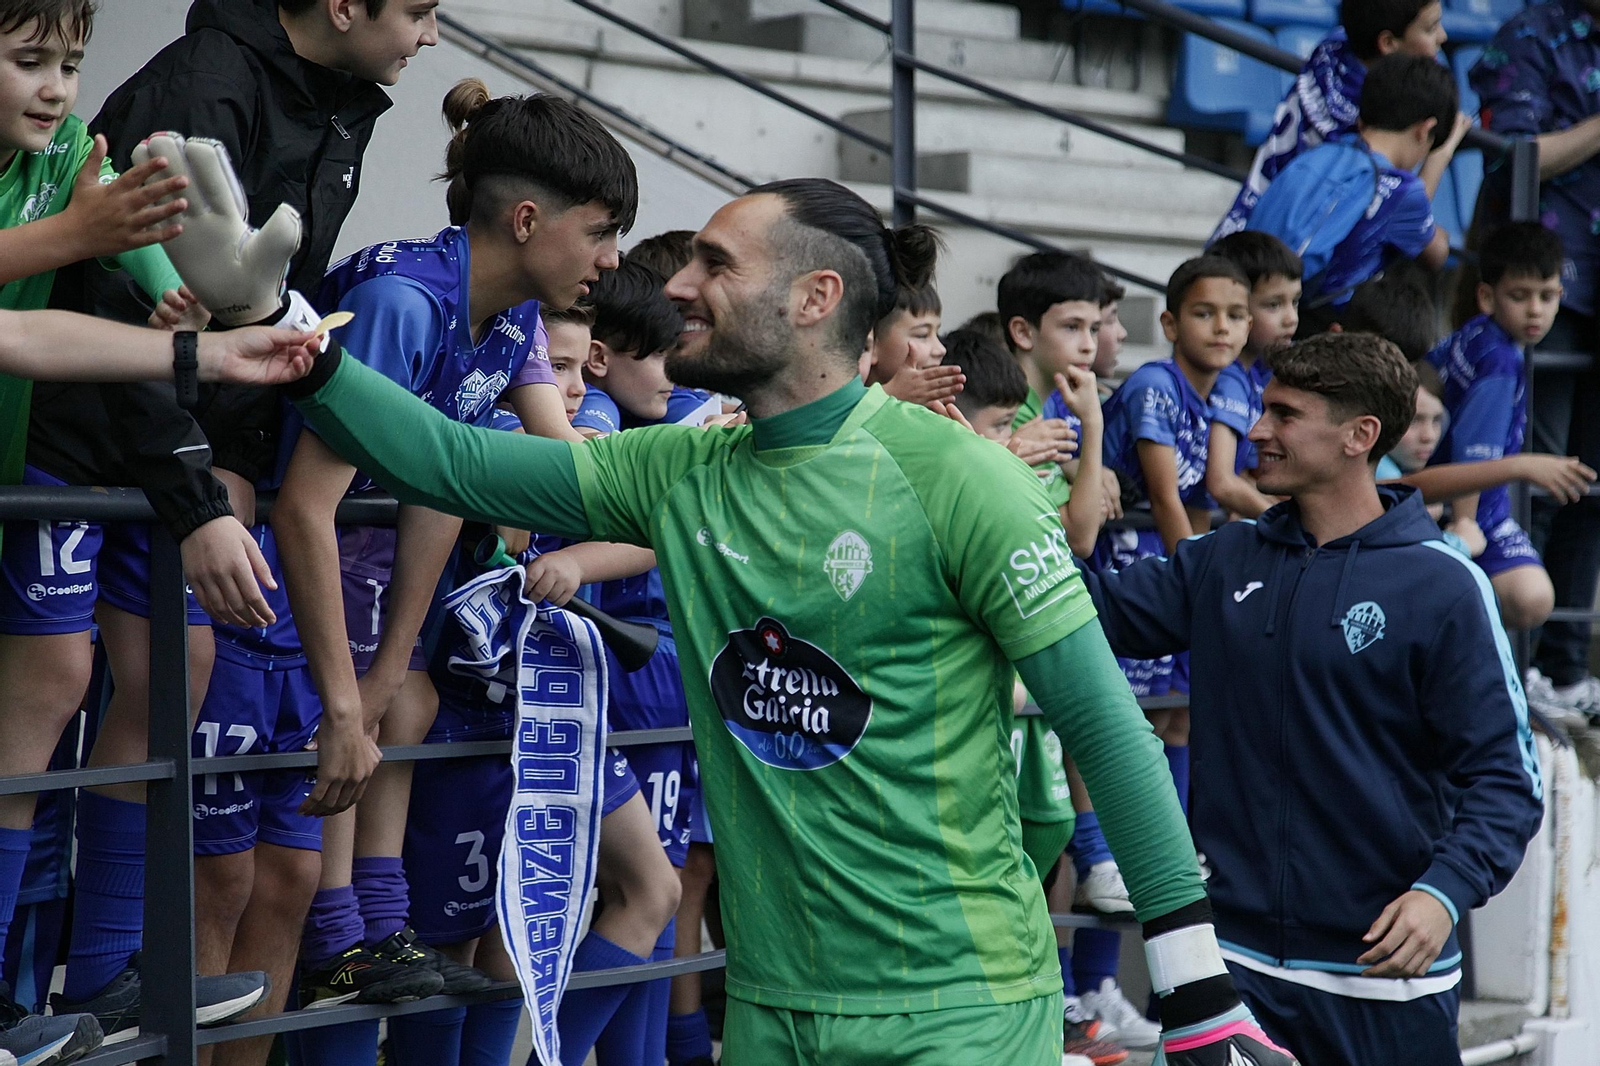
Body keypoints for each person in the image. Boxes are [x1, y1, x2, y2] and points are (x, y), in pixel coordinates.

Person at [211, 170, 1301, 1064]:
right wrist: (281, 328)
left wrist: (1194, 985)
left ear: (816, 297)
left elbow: (1105, 725)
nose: (677, 283)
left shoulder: (961, 479)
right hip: (772, 1012)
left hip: (956, 1010)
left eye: (714, 265)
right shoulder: (681, 464)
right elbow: (443, 457)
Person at [23, 1, 437, 1045]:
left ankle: (109, 968)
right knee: (52, 690)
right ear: (344, 6)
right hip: (83, 453)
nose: (429, 35)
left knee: (175, 676)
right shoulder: (197, 87)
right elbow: (112, 306)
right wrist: (202, 493)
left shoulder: (340, 104)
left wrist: (224, 444)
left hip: (177, 446)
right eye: (421, 10)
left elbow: (193, 316)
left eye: (69, 63)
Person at [266, 82, 635, 1066]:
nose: (610, 261)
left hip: (373, 608)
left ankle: (367, 925)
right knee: (265, 904)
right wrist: (347, 702)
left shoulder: (509, 315)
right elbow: (303, 505)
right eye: (600, 232)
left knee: (398, 733)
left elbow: (465, 485)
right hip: (280, 612)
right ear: (527, 219)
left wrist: (385, 675)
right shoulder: (400, 302)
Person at [1080, 332, 1544, 1066]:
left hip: (1386, 981)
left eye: (1285, 414)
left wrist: (1442, 893)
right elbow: (1073, 611)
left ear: (1360, 436)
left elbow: (1507, 784)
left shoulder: (1445, 587)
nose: (1257, 431)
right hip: (1229, 970)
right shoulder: (1223, 558)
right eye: (1262, 409)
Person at [944, 327, 1130, 1066]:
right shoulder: (974, 469)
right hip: (980, 701)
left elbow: (1076, 535)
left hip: (1031, 693)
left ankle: (1046, 1011)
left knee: (1042, 842)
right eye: (995, 427)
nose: (1008, 438)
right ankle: (1007, 1018)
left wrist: (1092, 437)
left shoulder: (1027, 453)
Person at [1472, 0, 1600, 718]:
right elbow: (1515, 155)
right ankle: (1523, 669)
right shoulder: (1531, 33)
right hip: (1551, 293)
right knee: (1542, 482)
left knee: (1594, 492)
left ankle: (1568, 668)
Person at [1247, 54, 1468, 320]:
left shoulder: (1320, 154)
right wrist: (1439, 157)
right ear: (1425, 130)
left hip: (1268, 303)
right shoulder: (1402, 189)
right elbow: (1436, 255)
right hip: (1323, 328)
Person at [1213, 0, 1450, 240]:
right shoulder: (1365, 122)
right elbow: (1395, 220)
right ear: (1387, 43)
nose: (1443, 36)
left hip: (1244, 223)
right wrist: (1440, 153)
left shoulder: (1333, 46)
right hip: (1277, 250)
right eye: (1430, 28)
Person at [1425, 222, 1561, 632]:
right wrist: (1465, 527)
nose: (1535, 309)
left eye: (1547, 296)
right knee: (1531, 597)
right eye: (1519, 296)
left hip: (1439, 496)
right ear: (1486, 296)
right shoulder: (1501, 362)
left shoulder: (1473, 335)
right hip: (1468, 511)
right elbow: (1475, 450)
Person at [999, 251, 1105, 517]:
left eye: (1093, 329)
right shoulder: (1011, 412)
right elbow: (1081, 536)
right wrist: (1093, 422)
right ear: (1023, 332)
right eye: (1072, 327)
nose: (1089, 345)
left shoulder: (1035, 404)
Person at [1204, 232, 1302, 519]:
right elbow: (1222, 482)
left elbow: (1246, 471)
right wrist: (1280, 522)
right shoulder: (1228, 378)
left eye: (1295, 302)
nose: (1291, 318)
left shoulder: (1259, 373)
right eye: (1274, 305)